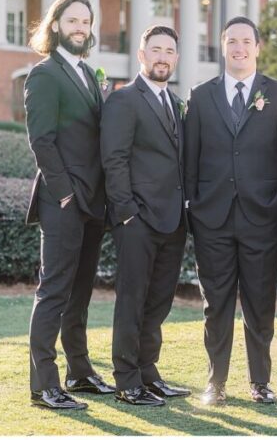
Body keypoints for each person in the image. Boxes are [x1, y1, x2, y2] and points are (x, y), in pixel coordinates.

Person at [183, 16, 277, 406]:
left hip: (261, 218)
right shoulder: (200, 96)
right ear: (222, 45)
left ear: (257, 47)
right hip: (211, 219)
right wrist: (193, 206)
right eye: (232, 41)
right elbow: (190, 158)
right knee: (215, 306)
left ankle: (260, 381)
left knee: (260, 303)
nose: (239, 48)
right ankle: (215, 384)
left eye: (246, 41)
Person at [24, 0, 112, 410]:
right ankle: (44, 386)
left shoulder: (88, 75)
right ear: (56, 25)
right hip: (63, 202)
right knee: (54, 292)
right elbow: (41, 141)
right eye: (73, 20)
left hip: (93, 203)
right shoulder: (45, 75)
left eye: (86, 21)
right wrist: (63, 194)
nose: (80, 28)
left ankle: (79, 373)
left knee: (79, 294)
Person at [100, 25, 191, 406]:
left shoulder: (175, 102)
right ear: (141, 55)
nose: (162, 57)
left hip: (172, 221)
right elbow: (114, 159)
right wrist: (126, 214)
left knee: (159, 301)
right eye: (155, 49)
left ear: (176, 58)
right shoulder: (124, 101)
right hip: (136, 220)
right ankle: (127, 379)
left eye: (169, 51)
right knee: (133, 300)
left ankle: (149, 371)